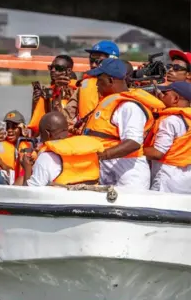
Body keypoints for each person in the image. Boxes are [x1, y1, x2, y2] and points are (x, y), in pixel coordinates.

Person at [82, 58, 165, 189]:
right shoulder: (111, 102)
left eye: (99, 79)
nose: (96, 84)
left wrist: (100, 155)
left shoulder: (129, 106)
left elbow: (133, 143)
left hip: (128, 174)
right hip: (111, 169)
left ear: (110, 80)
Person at [18, 112, 104, 187]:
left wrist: (27, 168)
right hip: (90, 202)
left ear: (47, 133)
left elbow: (29, 195)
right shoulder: (90, 152)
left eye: (41, 134)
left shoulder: (47, 158)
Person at [144, 81, 191, 194]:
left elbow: (157, 152)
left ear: (175, 99)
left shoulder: (170, 121)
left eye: (165, 93)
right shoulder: (188, 119)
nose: (161, 96)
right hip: (186, 177)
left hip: (167, 177)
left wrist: (133, 149)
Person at [70, 40, 120, 129]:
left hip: (109, 139)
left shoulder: (122, 86)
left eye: (98, 61)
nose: (93, 65)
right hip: (83, 137)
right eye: (91, 60)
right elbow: (68, 113)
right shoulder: (84, 85)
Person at [28, 55, 78, 135]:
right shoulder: (46, 93)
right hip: (52, 138)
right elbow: (36, 129)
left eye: (58, 68)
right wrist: (35, 103)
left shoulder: (79, 90)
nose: (53, 70)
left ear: (68, 71)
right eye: (51, 67)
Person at [0, 110, 31, 181]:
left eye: (14, 127)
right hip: (0, 180)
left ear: (22, 129)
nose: (10, 130)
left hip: (21, 182)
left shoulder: (29, 145)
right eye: (7, 126)